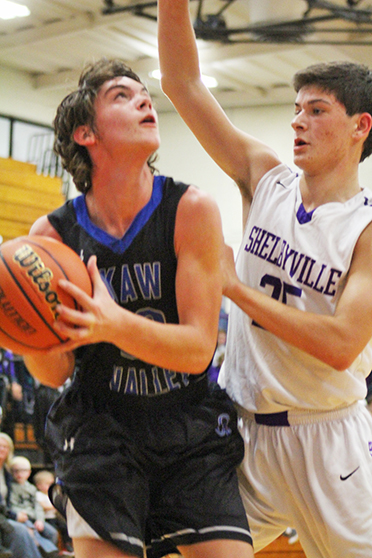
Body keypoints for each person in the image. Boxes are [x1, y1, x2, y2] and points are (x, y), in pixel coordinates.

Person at [157, 3, 372, 557]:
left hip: (327, 441)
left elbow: (343, 345)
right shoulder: (264, 177)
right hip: (244, 433)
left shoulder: (365, 228)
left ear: (359, 127)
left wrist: (233, 288)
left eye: (317, 110)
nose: (297, 121)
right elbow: (182, 84)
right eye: (296, 109)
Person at [17, 58, 254, 558]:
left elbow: (195, 351)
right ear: (86, 132)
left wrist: (112, 323)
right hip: (101, 430)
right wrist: (20, 333)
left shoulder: (190, 209)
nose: (145, 100)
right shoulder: (52, 238)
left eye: (144, 93)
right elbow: (53, 368)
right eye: (122, 96)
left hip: (187, 424)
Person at [0, 432, 51, 558]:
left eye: (5, 446)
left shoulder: (6, 471)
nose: (1, 449)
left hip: (8, 513)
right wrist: (15, 515)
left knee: (51, 532)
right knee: (22, 531)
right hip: (6, 515)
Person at [9, 456, 59, 557]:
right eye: (16, 471)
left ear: (29, 472)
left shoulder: (31, 488)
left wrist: (40, 519)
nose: (19, 474)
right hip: (21, 518)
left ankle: (47, 553)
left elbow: (37, 506)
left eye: (23, 471)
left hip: (34, 518)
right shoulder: (10, 487)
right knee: (30, 534)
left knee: (52, 533)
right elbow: (11, 505)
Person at [34, 470, 74, 556]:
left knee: (65, 526)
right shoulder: (38, 495)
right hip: (47, 519)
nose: (50, 486)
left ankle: (68, 545)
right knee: (53, 532)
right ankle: (53, 549)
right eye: (47, 484)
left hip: (54, 517)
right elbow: (44, 506)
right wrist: (55, 505)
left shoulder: (51, 494)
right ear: (39, 485)